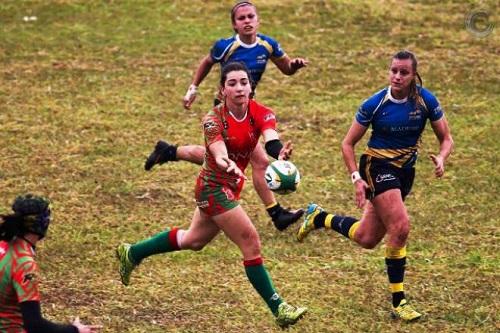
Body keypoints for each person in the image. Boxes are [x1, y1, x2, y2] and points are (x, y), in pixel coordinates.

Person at [117, 62, 307, 328]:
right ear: (223, 89)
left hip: (229, 187)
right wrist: (224, 161)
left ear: (250, 87)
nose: (239, 87)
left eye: (244, 82)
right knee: (250, 240)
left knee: (194, 240)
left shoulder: (262, 113)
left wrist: (279, 155)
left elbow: (271, 138)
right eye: (232, 83)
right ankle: (280, 308)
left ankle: (133, 252)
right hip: (212, 188)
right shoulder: (212, 119)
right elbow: (216, 150)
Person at [296, 50, 454, 321]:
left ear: (414, 75)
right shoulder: (375, 104)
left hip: (405, 171)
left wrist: (441, 157)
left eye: (403, 72)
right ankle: (398, 302)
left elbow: (446, 138)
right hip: (376, 167)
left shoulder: (426, 101)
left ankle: (319, 216)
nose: (397, 76)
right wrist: (356, 179)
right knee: (401, 227)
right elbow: (347, 144)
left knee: (367, 238)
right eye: (393, 70)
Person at [144, 1, 308, 231]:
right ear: (234, 25)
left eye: (251, 16)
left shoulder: (267, 45)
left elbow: (286, 68)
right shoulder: (225, 46)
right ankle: (276, 213)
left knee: (223, 159)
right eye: (241, 18)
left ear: (258, 20)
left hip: (247, 110)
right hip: (226, 111)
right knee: (245, 160)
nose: (247, 21)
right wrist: (193, 87)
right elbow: (207, 62)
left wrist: (295, 66)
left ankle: (169, 151)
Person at [0, 194, 101, 333]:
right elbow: (34, 325)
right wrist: (74, 330)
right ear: (41, 223)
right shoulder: (24, 264)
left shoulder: (3, 244)